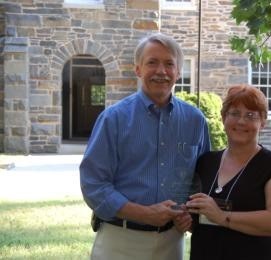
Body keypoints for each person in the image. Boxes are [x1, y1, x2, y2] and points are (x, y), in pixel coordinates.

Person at [79, 33, 210, 260]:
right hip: (119, 241)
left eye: (169, 64)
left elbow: (202, 180)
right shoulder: (113, 119)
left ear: (178, 71)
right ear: (138, 69)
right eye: (152, 62)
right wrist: (145, 214)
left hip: (172, 243)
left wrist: (191, 213)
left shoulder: (195, 121)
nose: (161, 71)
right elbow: (93, 185)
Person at [181, 84, 271, 260]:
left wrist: (223, 217)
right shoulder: (205, 162)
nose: (241, 121)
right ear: (223, 117)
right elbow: (199, 218)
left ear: (263, 122)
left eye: (251, 115)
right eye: (234, 113)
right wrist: (186, 220)